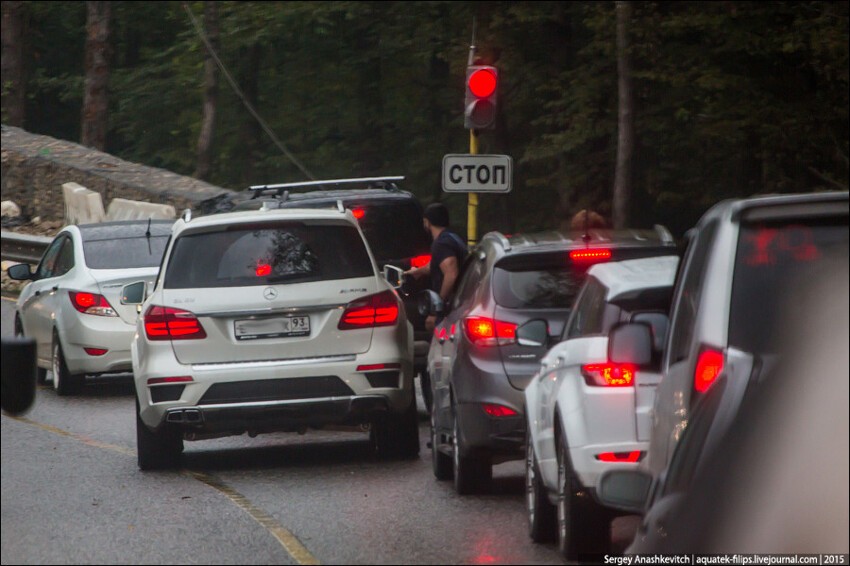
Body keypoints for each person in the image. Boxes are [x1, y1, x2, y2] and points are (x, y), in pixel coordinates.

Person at [405, 202, 467, 330]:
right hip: (461, 301)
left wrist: (438, 306)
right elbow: (436, 265)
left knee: (435, 328)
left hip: (452, 305)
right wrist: (418, 272)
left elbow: (451, 273)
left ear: (426, 222)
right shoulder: (452, 237)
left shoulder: (441, 243)